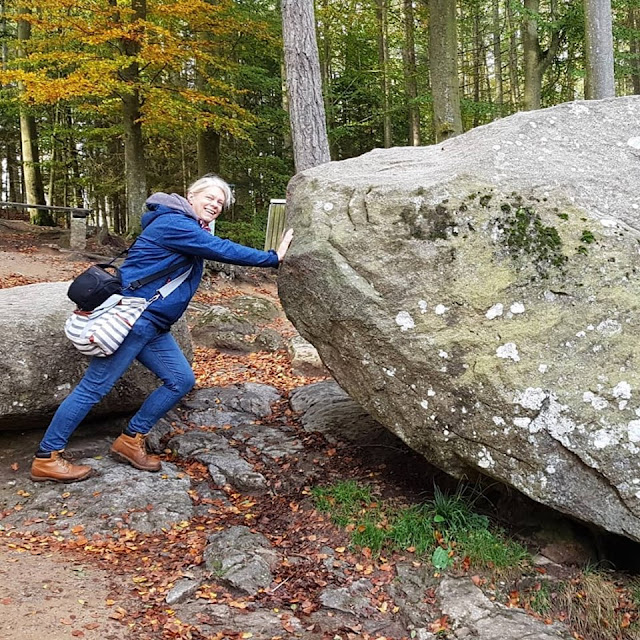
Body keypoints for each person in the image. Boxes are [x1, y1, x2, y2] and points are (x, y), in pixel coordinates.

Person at [30, 174, 294, 483]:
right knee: (93, 388)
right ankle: (47, 457)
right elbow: (221, 249)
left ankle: (130, 440)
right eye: (209, 197)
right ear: (190, 196)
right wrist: (272, 258)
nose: (214, 205)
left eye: (220, 203)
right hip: (133, 321)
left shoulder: (186, 226)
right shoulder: (175, 223)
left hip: (152, 325)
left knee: (180, 379)